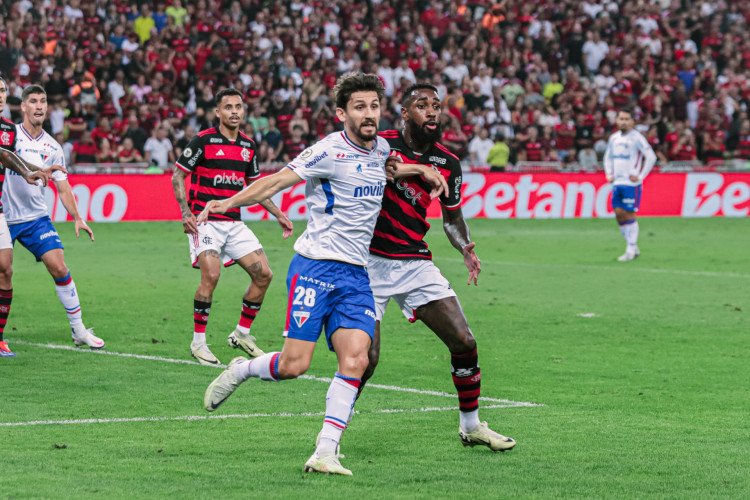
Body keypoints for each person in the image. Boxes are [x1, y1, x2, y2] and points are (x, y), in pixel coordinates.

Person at [200, 73, 447, 476]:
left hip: (356, 275)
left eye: (373, 106)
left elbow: (386, 168)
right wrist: (224, 202)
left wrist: (419, 169)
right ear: (341, 112)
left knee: (357, 359)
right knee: (295, 365)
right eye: (359, 107)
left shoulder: (381, 146)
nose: (369, 115)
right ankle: (241, 369)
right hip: (315, 269)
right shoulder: (327, 151)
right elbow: (275, 181)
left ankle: (325, 451)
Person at [353, 83, 516, 455]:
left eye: (436, 106)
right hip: (368, 262)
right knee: (366, 360)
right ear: (405, 112)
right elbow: (387, 168)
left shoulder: (448, 162)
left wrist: (465, 246)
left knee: (464, 341)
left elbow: (452, 218)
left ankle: (471, 426)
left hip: (414, 262)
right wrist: (418, 171)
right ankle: (331, 435)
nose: (432, 112)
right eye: (422, 105)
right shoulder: (381, 142)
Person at [172, 88, 293, 366]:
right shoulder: (202, 141)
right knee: (211, 276)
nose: (235, 112)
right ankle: (198, 343)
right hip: (205, 223)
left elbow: (255, 188)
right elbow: (178, 175)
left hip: (234, 223)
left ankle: (242, 334)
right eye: (228, 107)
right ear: (218, 112)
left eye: (238, 106)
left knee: (264, 275)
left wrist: (278, 214)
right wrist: (185, 212)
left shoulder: (248, 146)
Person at [2, 84, 104, 351]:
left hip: (35, 218)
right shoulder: (9, 134)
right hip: (4, 215)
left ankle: (79, 330)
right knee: (4, 274)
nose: (38, 106)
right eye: (33, 101)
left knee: (59, 267)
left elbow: (63, 185)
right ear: (23, 106)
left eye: (43, 101)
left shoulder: (53, 146)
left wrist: (77, 217)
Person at [0, 78, 62, 357]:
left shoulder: (6, 130)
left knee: (5, 269)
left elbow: (7, 156)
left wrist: (33, 170)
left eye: (2, 91)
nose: (0, 95)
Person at [603, 108, 656, 261]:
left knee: (629, 213)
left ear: (632, 121)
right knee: (619, 214)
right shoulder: (613, 138)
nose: (623, 122)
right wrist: (608, 173)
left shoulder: (636, 138)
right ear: (617, 120)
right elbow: (608, 157)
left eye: (627, 119)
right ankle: (633, 246)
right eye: (621, 119)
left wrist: (640, 176)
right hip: (617, 182)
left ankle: (630, 250)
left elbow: (651, 157)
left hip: (631, 184)